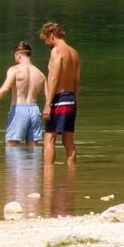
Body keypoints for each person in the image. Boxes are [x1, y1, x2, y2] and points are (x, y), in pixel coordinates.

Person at [0, 41, 46, 146]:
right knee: (33, 149)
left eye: (14, 56)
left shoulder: (14, 70)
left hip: (19, 109)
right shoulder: (40, 74)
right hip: (35, 111)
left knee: (12, 146)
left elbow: (5, 89)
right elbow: (49, 97)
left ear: (18, 54)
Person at [40, 22, 81, 165]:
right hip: (71, 99)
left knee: (49, 140)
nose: (46, 44)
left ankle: (48, 176)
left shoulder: (56, 51)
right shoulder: (74, 53)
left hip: (59, 99)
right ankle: (71, 176)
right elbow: (77, 82)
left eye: (45, 40)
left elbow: (54, 78)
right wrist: (74, 101)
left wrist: (48, 104)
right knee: (69, 142)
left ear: (51, 35)